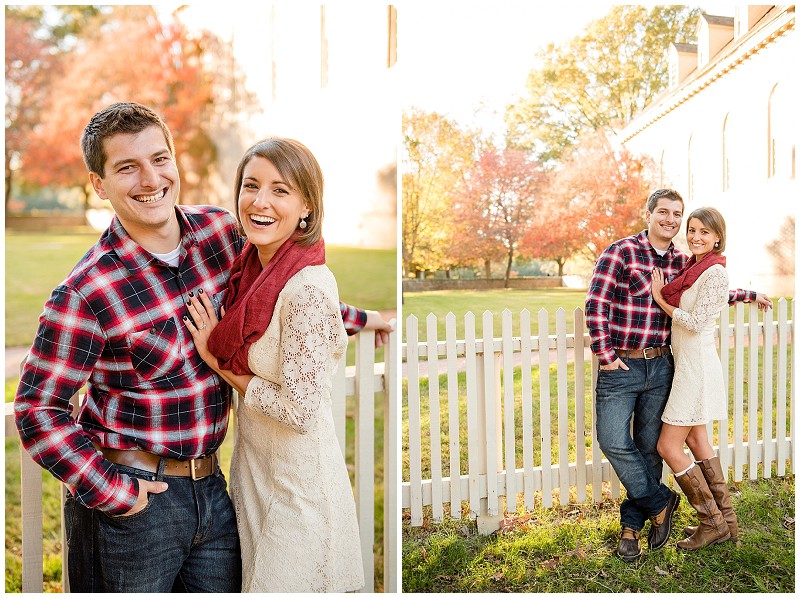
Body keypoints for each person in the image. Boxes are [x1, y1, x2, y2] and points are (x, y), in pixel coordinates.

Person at [14, 102, 391, 592]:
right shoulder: (87, 292)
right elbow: (37, 408)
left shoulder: (220, 234)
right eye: (127, 167)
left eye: (159, 159)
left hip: (214, 491)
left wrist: (366, 318)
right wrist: (114, 492)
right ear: (99, 184)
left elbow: (284, 300)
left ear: (175, 162)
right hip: (137, 503)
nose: (150, 179)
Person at [183, 138, 364, 592]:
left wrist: (216, 360)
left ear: (306, 205)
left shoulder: (306, 285)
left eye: (280, 190)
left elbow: (299, 412)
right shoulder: (250, 272)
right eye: (251, 186)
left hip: (298, 489)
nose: (260, 202)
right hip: (256, 476)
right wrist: (374, 318)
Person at [585, 188, 770, 562]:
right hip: (622, 364)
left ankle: (632, 527)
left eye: (677, 214)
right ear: (649, 214)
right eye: (664, 213)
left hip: (663, 365)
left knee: (652, 449)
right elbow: (596, 302)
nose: (671, 220)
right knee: (612, 441)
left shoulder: (683, 262)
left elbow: (708, 292)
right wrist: (605, 354)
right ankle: (660, 501)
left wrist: (749, 293)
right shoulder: (621, 251)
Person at [651, 207, 737, 550]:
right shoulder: (694, 268)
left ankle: (711, 522)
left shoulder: (715, 272)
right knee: (698, 443)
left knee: (668, 446)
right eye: (692, 230)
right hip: (688, 362)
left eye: (704, 232)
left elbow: (697, 321)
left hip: (695, 367)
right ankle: (727, 524)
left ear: (718, 237)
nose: (696, 237)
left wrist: (660, 299)